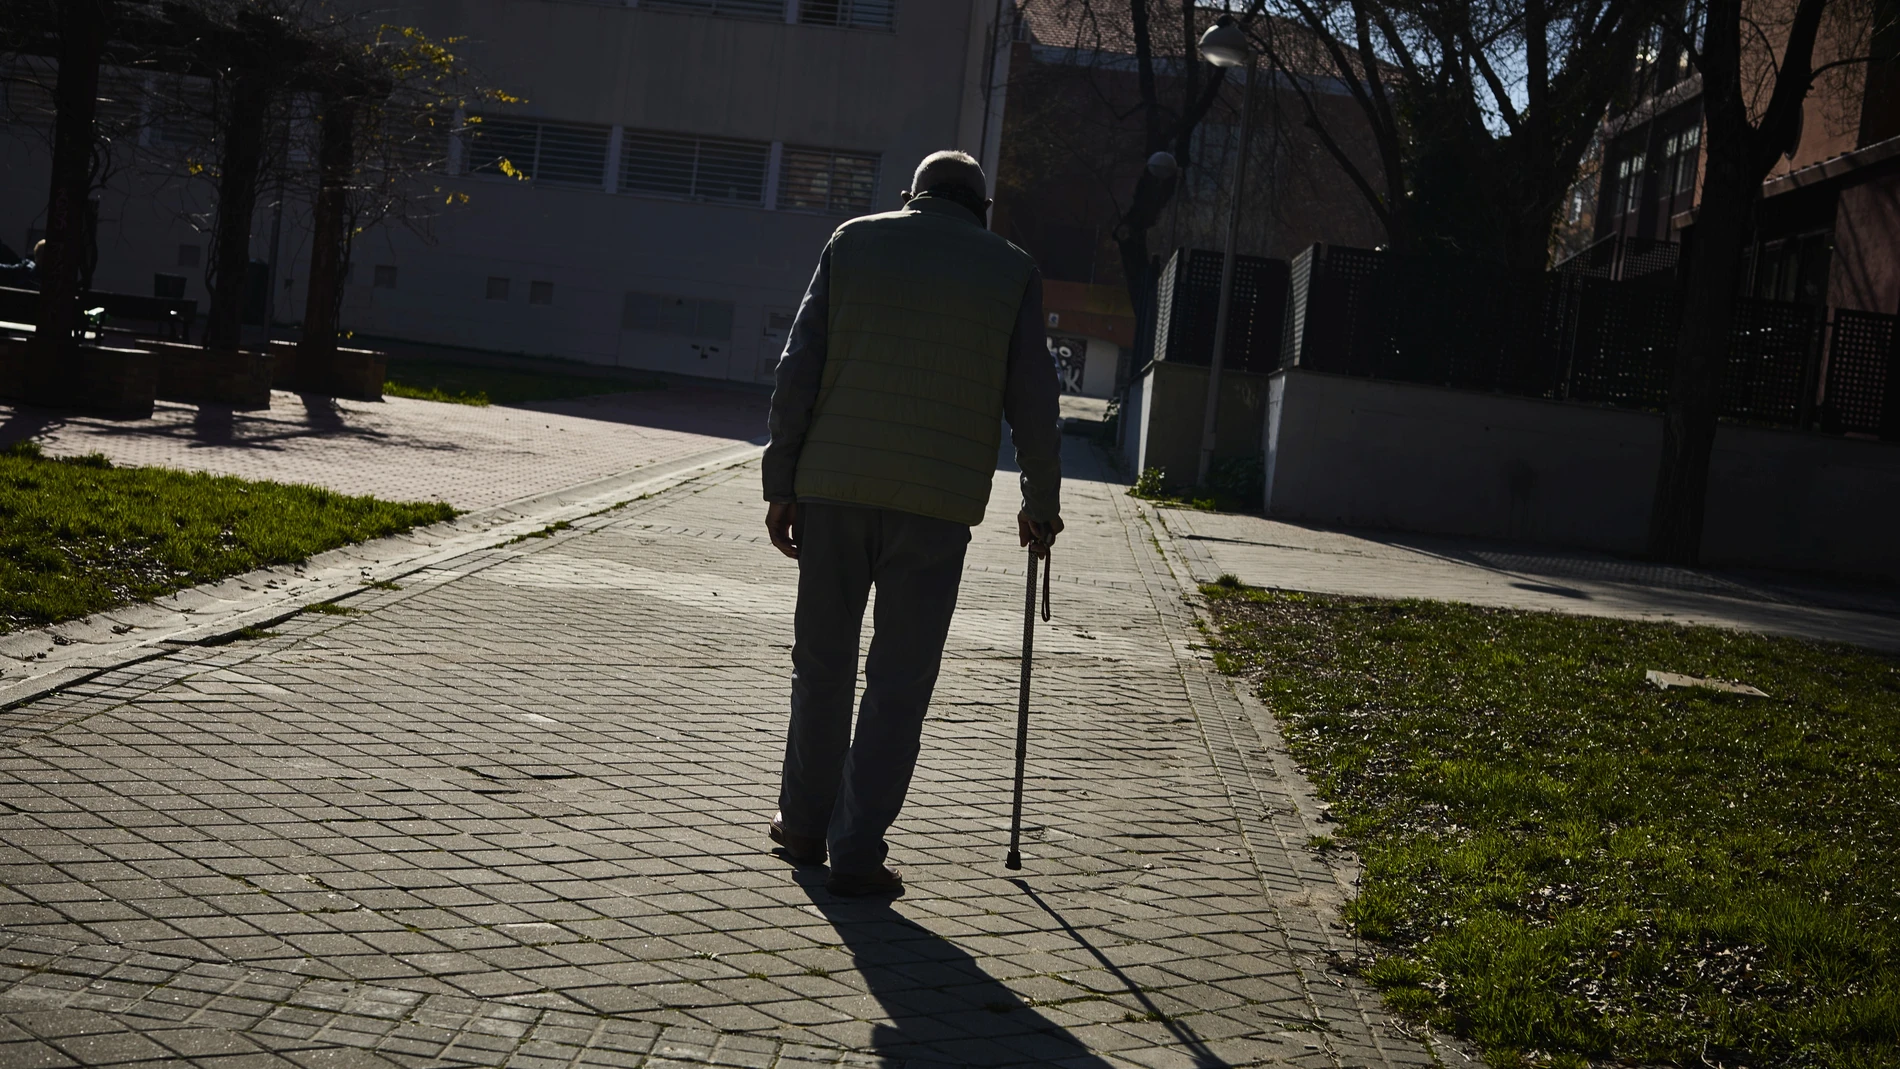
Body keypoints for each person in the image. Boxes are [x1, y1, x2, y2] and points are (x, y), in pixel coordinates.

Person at [761, 150, 1064, 897]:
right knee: (898, 682)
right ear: (980, 208)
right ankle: (856, 851)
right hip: (935, 507)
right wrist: (1041, 503)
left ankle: (802, 824)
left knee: (822, 664)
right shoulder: (1012, 268)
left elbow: (798, 366)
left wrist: (781, 482)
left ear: (913, 195)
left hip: (832, 490)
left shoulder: (853, 240)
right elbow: (1034, 398)